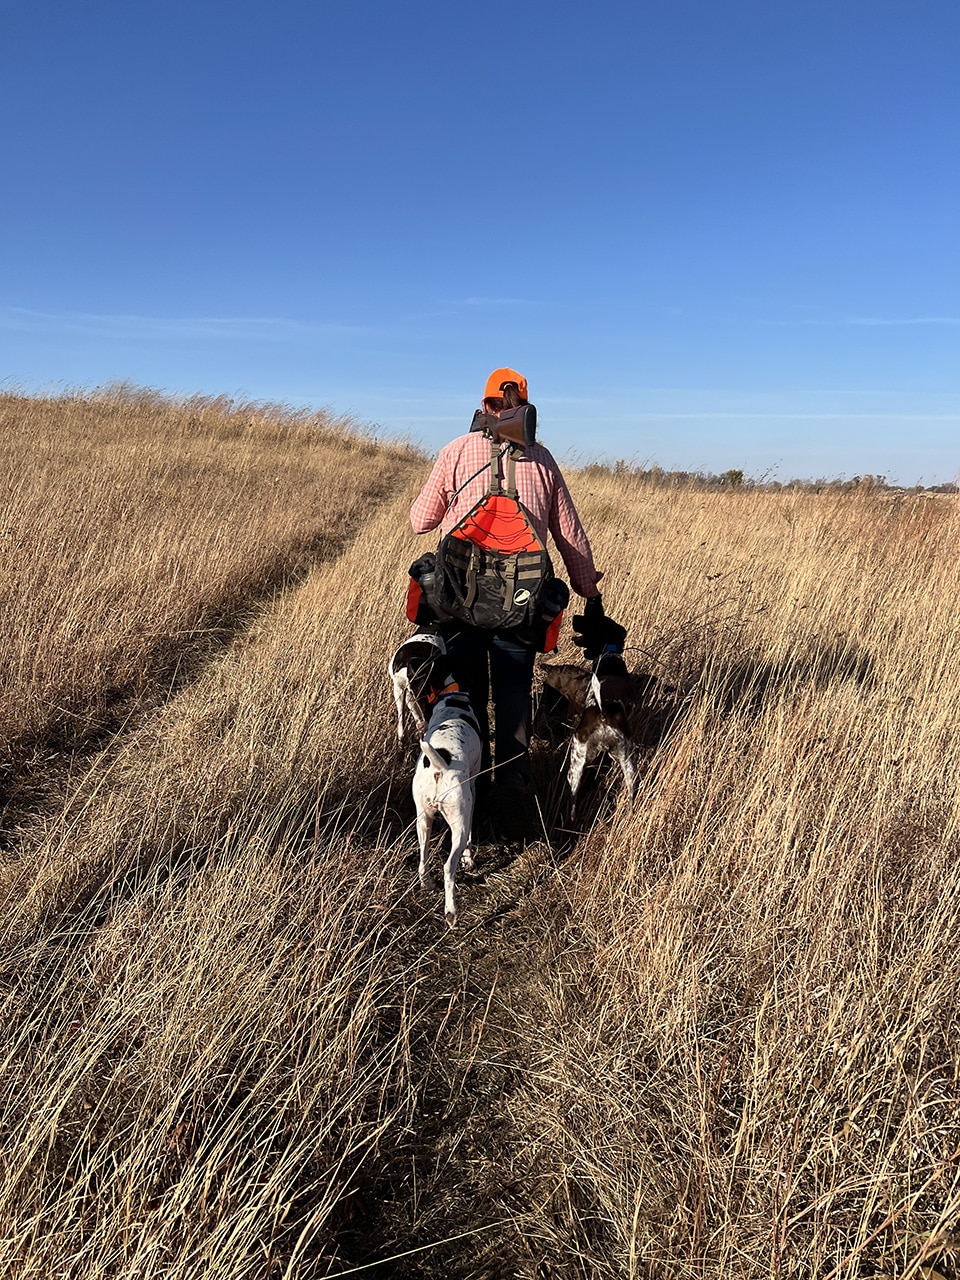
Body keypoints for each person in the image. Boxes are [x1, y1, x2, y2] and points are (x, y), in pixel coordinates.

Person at [409, 368, 613, 831]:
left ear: (484, 406)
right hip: (523, 604)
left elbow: (421, 521)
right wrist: (589, 591)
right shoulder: (542, 460)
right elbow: (571, 538)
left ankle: (469, 789)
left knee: (467, 696)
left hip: (459, 605)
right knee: (515, 694)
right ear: (526, 406)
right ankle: (515, 791)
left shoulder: (456, 451)